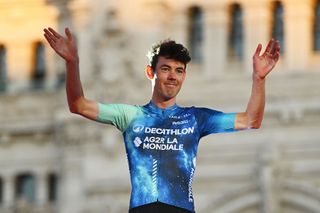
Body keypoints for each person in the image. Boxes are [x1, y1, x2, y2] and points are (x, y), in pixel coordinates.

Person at [43, 27, 280, 213]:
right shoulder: (130, 116)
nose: (172, 77)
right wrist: (72, 63)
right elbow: (78, 105)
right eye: (166, 69)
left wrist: (259, 79)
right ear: (151, 72)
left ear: (184, 76)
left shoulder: (196, 118)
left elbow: (251, 120)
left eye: (179, 71)